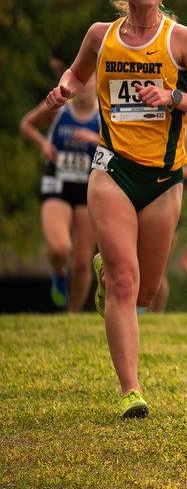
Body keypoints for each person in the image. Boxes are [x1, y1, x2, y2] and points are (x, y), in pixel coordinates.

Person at [44, 0, 187, 418]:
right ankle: (131, 390)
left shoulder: (181, 39)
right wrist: (64, 89)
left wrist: (172, 98)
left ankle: (108, 270)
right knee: (125, 285)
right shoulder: (100, 35)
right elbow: (77, 74)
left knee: (144, 291)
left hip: (164, 179)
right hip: (112, 169)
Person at [20, 76, 101, 312]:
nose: (84, 88)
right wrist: (44, 144)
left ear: (98, 83)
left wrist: (95, 139)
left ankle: (72, 314)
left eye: (89, 82)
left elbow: (123, 144)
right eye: (80, 82)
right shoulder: (60, 108)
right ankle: (58, 273)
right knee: (59, 248)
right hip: (58, 184)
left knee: (82, 262)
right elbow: (27, 124)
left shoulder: (105, 114)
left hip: (89, 188)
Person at [143, 125, 187, 314]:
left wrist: (164, 171)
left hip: (166, 203)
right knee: (128, 265)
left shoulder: (181, 126)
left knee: (158, 272)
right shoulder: (131, 115)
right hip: (135, 198)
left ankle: (155, 318)